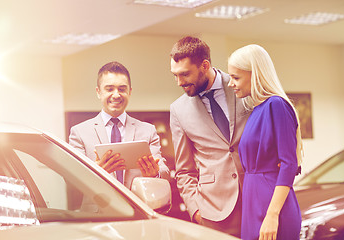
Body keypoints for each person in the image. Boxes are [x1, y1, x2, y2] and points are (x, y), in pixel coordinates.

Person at [169, 36, 251, 237]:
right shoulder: (178, 110)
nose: (179, 82)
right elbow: (184, 170)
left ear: (204, 65)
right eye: (175, 75)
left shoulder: (242, 85)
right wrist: (195, 211)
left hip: (256, 197)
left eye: (185, 74)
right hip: (214, 212)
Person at [227, 44, 303, 240]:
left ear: (256, 75)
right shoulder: (256, 111)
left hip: (272, 208)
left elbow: (289, 163)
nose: (230, 84)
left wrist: (272, 215)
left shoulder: (276, 105)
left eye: (236, 78)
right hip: (253, 204)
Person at [69, 61, 169, 189]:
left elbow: (165, 173)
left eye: (122, 89)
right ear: (98, 92)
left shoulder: (148, 131)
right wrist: (94, 173)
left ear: (130, 91)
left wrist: (155, 174)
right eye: (109, 89)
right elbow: (72, 180)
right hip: (99, 208)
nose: (116, 95)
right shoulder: (79, 132)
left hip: (138, 207)